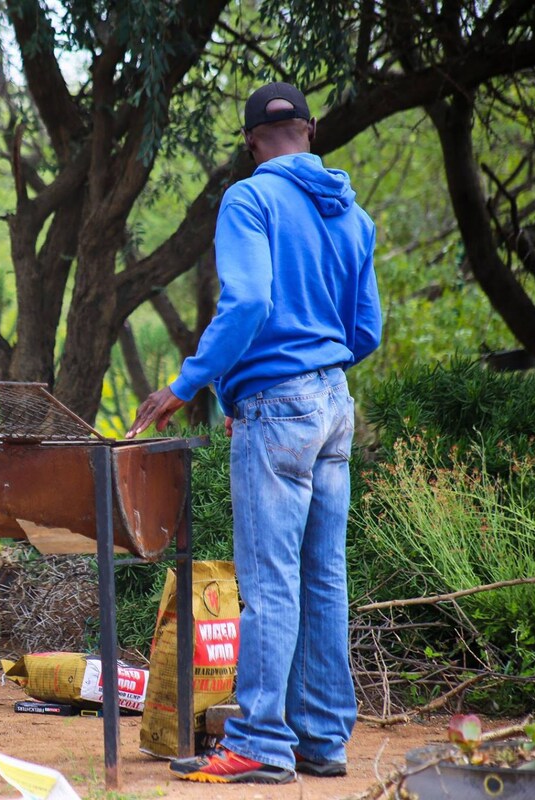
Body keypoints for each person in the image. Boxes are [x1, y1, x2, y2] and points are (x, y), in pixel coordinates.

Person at [126, 82, 381, 784]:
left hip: (278, 408)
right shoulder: (352, 215)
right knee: (324, 576)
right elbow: (366, 331)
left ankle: (262, 743)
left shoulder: (250, 199)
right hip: (334, 404)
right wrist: (316, 368)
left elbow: (250, 304)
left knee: (268, 581)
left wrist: (187, 384)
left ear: (250, 143)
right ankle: (322, 740)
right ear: (311, 130)